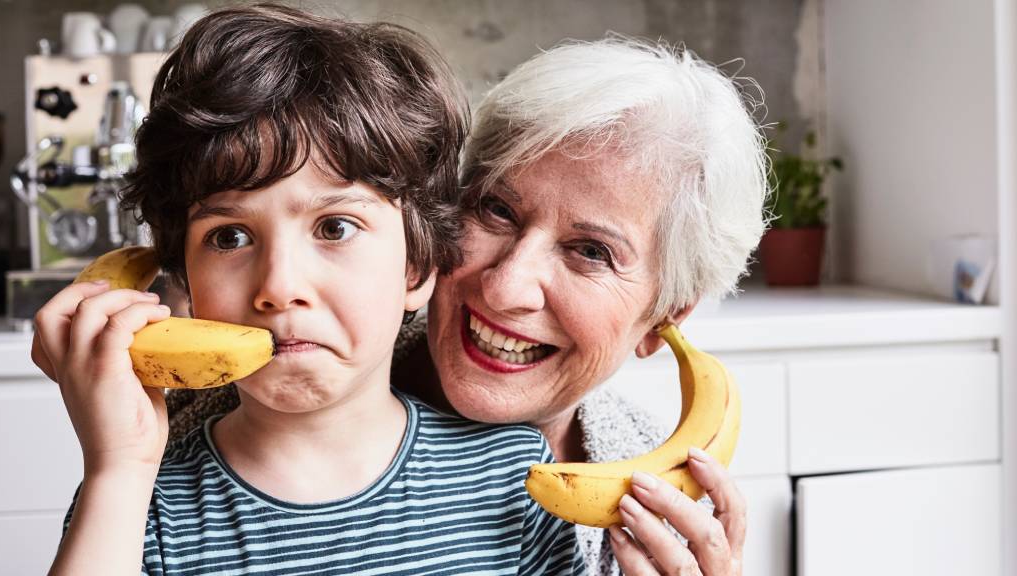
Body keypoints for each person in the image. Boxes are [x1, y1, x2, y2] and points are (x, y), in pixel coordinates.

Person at [163, 36, 769, 576]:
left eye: (590, 251)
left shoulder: (659, 498)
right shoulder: (245, 396)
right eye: (496, 209)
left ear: (662, 320)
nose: (508, 287)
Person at [33, 5, 585, 575]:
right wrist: (118, 468)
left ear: (416, 268)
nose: (279, 286)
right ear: (188, 287)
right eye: (229, 237)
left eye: (335, 227)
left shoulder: (513, 481)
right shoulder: (138, 507)